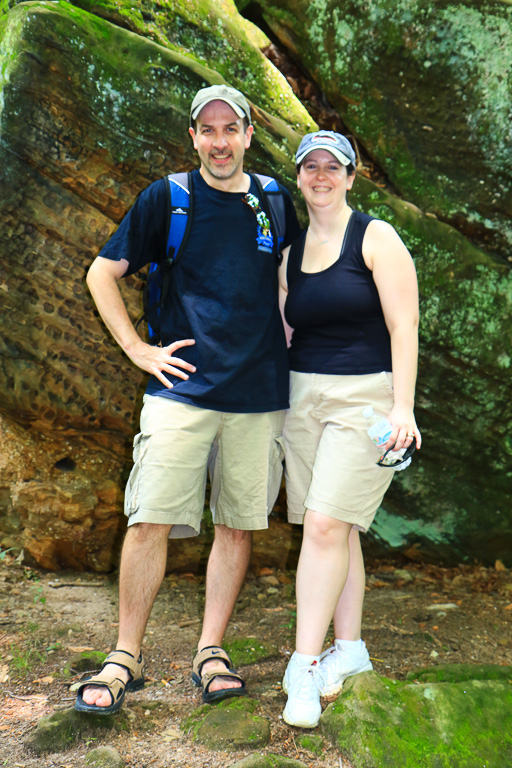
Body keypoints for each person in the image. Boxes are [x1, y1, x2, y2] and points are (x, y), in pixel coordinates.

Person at [72, 84, 301, 714]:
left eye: (232, 129)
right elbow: (102, 271)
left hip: (258, 394)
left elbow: (287, 280)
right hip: (182, 390)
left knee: (236, 525)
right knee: (148, 520)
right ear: (194, 137)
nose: (221, 141)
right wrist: (137, 351)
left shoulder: (275, 200)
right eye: (209, 130)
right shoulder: (167, 198)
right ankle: (125, 656)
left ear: (249, 135)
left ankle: (210, 650)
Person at [278, 130, 421, 728]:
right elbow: (286, 327)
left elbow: (404, 323)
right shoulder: (290, 250)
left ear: (350, 176)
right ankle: (351, 650)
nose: (320, 176)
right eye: (309, 167)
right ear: (300, 176)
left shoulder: (376, 237)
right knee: (341, 529)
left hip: (365, 399)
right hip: (300, 399)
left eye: (331, 167)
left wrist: (403, 409)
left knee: (326, 524)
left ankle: (304, 666)